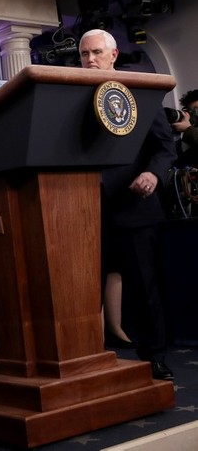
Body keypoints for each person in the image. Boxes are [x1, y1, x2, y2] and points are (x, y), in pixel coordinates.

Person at [79, 29, 176, 380]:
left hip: (134, 207)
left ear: (113, 55)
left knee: (144, 289)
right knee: (81, 293)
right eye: (85, 54)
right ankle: (87, 358)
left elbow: (165, 148)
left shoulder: (139, 93)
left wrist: (153, 175)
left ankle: (154, 357)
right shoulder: (66, 96)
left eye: (97, 53)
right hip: (83, 213)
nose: (90, 60)